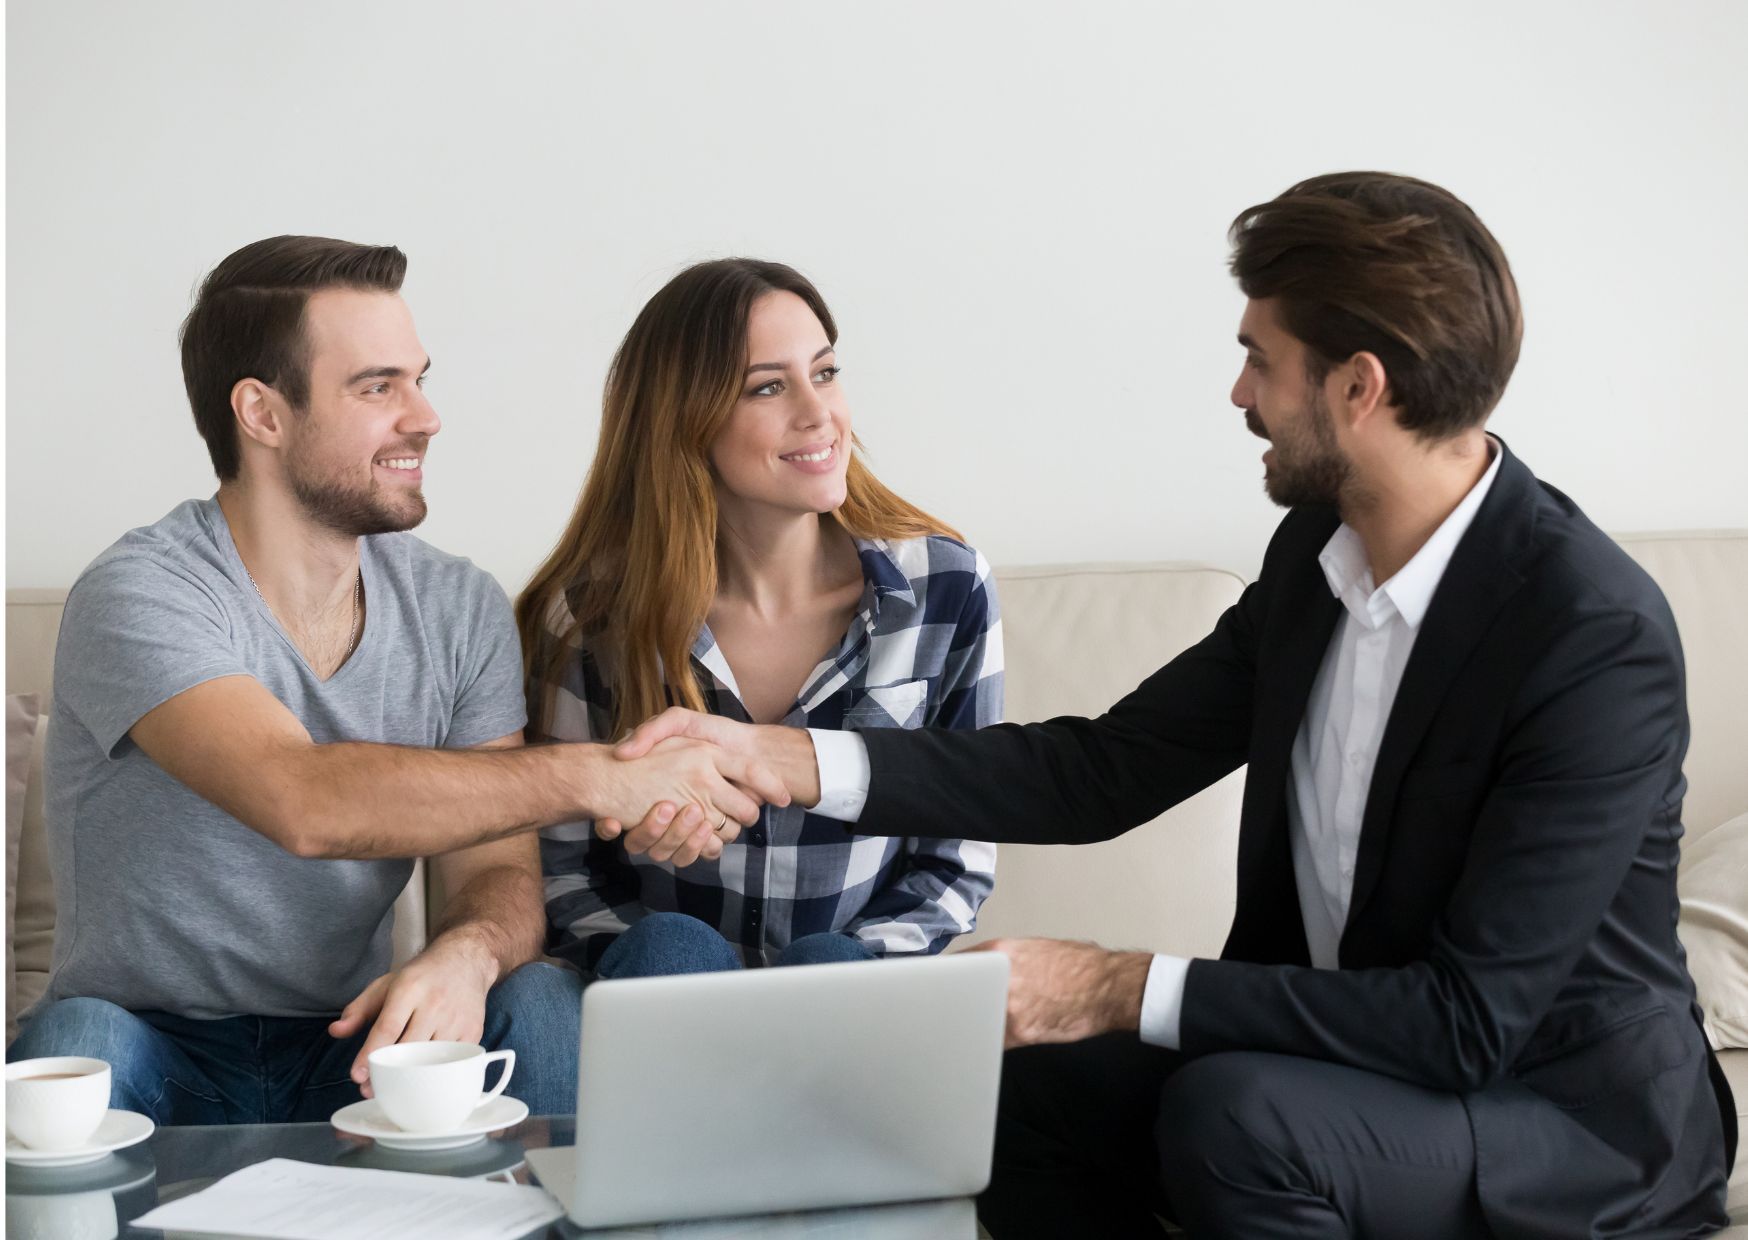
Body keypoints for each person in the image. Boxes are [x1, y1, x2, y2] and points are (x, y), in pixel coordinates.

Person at [607, 176, 1736, 1237]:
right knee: (1007, 1094)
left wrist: (1106, 984)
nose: (1238, 393)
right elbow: (1100, 768)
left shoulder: (1589, 635)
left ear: (1357, 385)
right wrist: (786, 758)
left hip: (1562, 1119)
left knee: (1238, 1117)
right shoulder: (1316, 559)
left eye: (1260, 359)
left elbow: (1463, 1021)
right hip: (1347, 1070)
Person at [7, 236, 787, 1126]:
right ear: (262, 414)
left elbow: (494, 866)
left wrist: (469, 951)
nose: (425, 417)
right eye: (379, 387)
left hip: (353, 1046)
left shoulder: (457, 606)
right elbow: (303, 800)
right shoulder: (142, 591)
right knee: (81, 1045)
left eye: (418, 379)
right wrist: (603, 774)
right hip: (150, 1045)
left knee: (535, 999)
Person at [518, 258, 1000, 980]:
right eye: (768, 387)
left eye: (826, 373)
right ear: (686, 420)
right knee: (668, 949)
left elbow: (955, 860)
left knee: (830, 967)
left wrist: (847, 971)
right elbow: (565, 872)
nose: (819, 413)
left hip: (847, 1004)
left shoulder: (946, 589)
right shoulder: (589, 618)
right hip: (663, 1002)